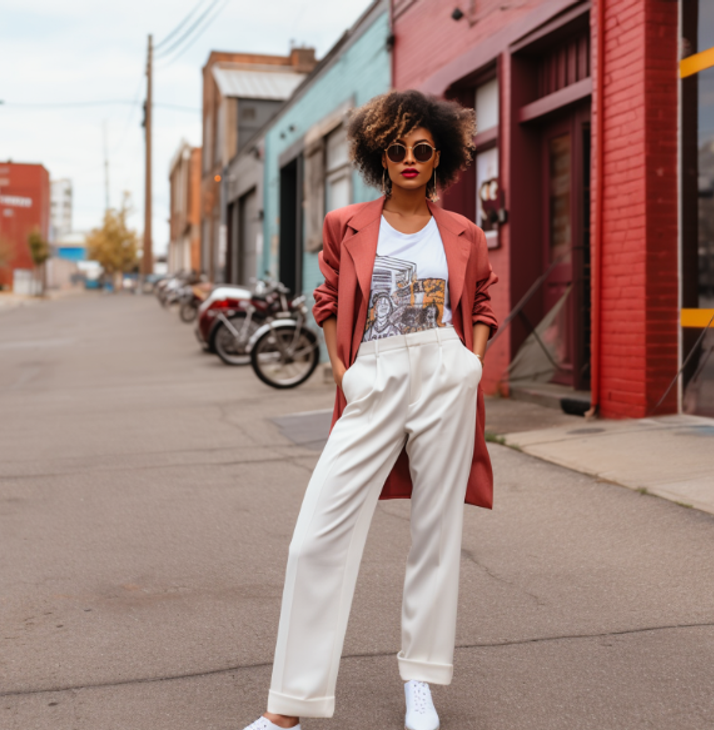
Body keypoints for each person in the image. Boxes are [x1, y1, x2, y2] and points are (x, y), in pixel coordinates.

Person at [242, 89, 499, 730]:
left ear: (440, 155)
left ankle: (420, 685)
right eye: (396, 148)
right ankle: (288, 709)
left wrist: (470, 362)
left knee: (436, 534)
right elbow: (327, 297)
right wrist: (344, 371)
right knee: (315, 538)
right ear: (378, 154)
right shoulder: (347, 222)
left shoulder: (464, 233)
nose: (409, 159)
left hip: (444, 370)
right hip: (375, 373)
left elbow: (486, 301)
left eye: (422, 148)